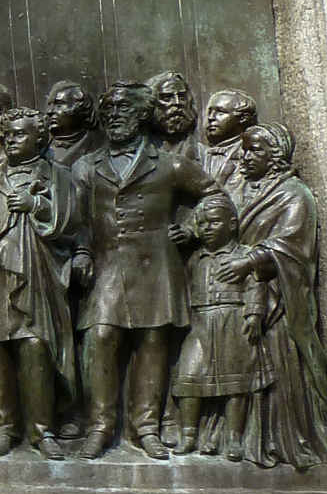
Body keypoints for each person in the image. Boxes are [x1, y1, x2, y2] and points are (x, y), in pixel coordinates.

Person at [70, 81, 219, 460]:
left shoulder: (169, 164)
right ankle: (100, 425)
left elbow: (214, 196)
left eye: (124, 109)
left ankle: (146, 427)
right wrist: (82, 252)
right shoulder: (86, 166)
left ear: (142, 116)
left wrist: (193, 229)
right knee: (101, 338)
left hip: (156, 269)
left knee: (152, 343)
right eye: (109, 112)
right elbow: (78, 220)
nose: (115, 117)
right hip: (108, 267)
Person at [0, 109, 87, 457]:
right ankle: (4, 427)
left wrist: (38, 205)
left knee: (35, 347)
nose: (10, 140)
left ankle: (42, 430)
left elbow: (75, 221)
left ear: (39, 139)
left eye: (19, 135)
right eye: (8, 134)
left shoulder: (58, 176)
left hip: (38, 271)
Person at [232, 121, 327, 469]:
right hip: (239, 295)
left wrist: (252, 260)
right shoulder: (242, 189)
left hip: (277, 298)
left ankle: (288, 441)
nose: (244, 157)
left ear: (275, 155)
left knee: (278, 365)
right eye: (243, 149)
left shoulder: (293, 194)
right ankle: (247, 439)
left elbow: (292, 245)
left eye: (254, 149)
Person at [171, 191, 267, 460]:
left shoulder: (243, 255)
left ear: (232, 224)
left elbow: (256, 285)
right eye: (202, 225)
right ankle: (188, 434)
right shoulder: (194, 259)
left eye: (214, 223)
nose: (207, 229)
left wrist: (254, 314)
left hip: (232, 321)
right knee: (190, 377)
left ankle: (234, 438)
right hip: (199, 323)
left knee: (236, 382)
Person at [193, 89, 257, 191]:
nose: (210, 117)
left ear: (243, 118)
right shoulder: (197, 152)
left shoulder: (253, 154)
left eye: (220, 112)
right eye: (209, 112)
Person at [43, 80, 100, 171]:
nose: (50, 111)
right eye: (49, 105)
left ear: (81, 107)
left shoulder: (98, 145)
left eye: (59, 105)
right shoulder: (40, 146)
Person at [148, 71, 198, 154]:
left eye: (182, 97)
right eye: (167, 98)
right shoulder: (141, 154)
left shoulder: (204, 154)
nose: (177, 102)